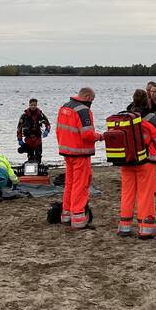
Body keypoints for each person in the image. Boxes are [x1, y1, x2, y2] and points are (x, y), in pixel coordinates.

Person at [117, 89, 156, 239]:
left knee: (127, 193)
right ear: (147, 100)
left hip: (127, 161)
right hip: (146, 162)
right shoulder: (150, 117)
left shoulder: (124, 117)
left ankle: (124, 226)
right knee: (145, 194)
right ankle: (146, 228)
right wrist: (153, 149)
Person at [56, 87, 103, 230]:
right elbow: (87, 134)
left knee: (69, 184)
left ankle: (66, 214)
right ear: (88, 97)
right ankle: (78, 218)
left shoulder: (64, 107)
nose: (92, 103)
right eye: (92, 100)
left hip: (67, 152)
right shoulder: (83, 110)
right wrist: (101, 137)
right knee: (80, 185)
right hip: (80, 153)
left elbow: (59, 129)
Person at [16, 98, 51, 163]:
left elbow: (47, 124)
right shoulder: (24, 116)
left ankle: (38, 166)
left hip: (37, 137)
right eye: (32, 105)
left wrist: (47, 131)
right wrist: (19, 139)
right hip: (28, 138)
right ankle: (30, 168)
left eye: (34, 105)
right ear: (29, 105)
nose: (33, 106)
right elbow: (19, 128)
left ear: (36, 105)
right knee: (30, 155)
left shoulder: (40, 114)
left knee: (38, 154)